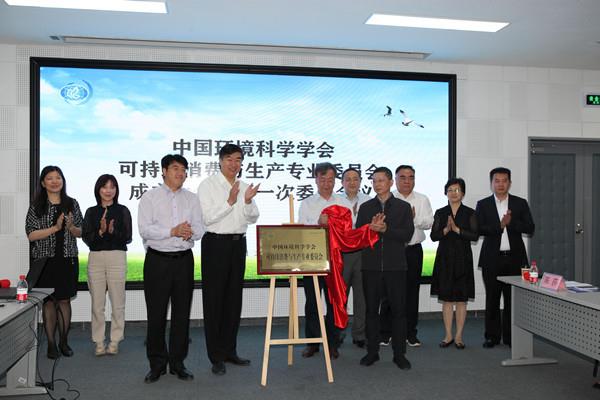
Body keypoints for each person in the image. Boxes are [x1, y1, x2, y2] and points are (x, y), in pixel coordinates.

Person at [138, 154, 203, 383]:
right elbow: (145, 230)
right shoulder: (150, 197)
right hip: (157, 261)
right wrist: (172, 231)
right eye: (176, 168)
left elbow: (200, 228)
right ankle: (157, 364)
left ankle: (177, 363)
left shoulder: (192, 199)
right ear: (164, 171)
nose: (180, 173)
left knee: (181, 314)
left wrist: (190, 232)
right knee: (156, 314)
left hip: (184, 261)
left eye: (184, 170)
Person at [198, 144, 260, 376]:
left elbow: (253, 217)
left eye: (238, 160)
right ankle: (216, 356)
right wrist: (230, 201)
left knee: (234, 300)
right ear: (220, 161)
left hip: (238, 245)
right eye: (230, 159)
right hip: (215, 244)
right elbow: (206, 218)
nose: (234, 164)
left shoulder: (244, 186)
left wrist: (247, 202)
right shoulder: (208, 185)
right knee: (214, 301)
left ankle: (229, 351)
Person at [356, 167, 414, 369]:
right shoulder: (365, 208)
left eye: (381, 180)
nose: (377, 184)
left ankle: (399, 354)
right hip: (371, 267)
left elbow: (407, 235)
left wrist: (386, 229)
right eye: (374, 181)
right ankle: (372, 352)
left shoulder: (403, 207)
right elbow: (359, 236)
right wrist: (370, 230)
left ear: (390, 182)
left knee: (398, 312)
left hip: (395, 267)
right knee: (371, 311)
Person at [25, 165, 83, 359]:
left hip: (67, 260)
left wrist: (71, 227)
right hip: (45, 261)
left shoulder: (72, 203)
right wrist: (55, 228)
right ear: (43, 183)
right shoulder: (37, 206)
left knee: (64, 300)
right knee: (49, 302)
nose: (55, 181)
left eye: (58, 177)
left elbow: (81, 232)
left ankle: (63, 342)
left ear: (63, 181)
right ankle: (51, 344)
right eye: (50, 178)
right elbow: (31, 234)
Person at [476, 167, 534, 348]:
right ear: (491, 183)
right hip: (492, 259)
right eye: (497, 181)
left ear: (509, 183)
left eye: (504, 180)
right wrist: (500, 226)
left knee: (512, 300)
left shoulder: (520, 203)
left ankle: (510, 337)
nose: (500, 184)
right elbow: (478, 229)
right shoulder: (483, 204)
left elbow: (530, 228)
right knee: (492, 298)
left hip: (515, 259)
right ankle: (492, 336)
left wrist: (511, 223)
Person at [298, 162, 350, 359]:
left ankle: (332, 343)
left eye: (330, 180)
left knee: (333, 301)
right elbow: (302, 228)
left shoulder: (343, 202)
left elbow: (349, 229)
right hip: (311, 258)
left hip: (335, 259)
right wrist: (318, 222)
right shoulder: (307, 203)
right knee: (312, 301)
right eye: (323, 179)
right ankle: (312, 343)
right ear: (316, 180)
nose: (327, 184)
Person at [380, 165, 433, 347]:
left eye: (411, 177)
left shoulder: (422, 199)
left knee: (411, 293)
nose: (407, 181)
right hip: (392, 251)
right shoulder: (388, 198)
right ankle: (385, 332)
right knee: (388, 292)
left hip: (413, 251)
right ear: (394, 180)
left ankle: (410, 333)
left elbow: (429, 222)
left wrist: (412, 219)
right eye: (402, 177)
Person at [82, 174, 132, 357]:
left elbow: (128, 237)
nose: (108, 190)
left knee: (118, 303)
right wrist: (101, 232)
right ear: (98, 189)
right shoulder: (91, 212)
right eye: (105, 187)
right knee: (97, 304)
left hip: (117, 257)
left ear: (116, 190)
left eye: (112, 187)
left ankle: (115, 340)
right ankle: (99, 341)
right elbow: (87, 238)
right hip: (96, 258)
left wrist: (112, 231)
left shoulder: (123, 210)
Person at [430, 178, 477, 349]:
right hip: (445, 259)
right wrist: (445, 230)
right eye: (450, 190)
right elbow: (433, 236)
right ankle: (448, 335)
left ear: (462, 193)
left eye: (456, 190)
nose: (453, 193)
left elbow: (475, 235)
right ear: (446, 193)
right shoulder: (441, 212)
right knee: (447, 300)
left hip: (463, 259)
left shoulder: (470, 213)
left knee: (461, 300)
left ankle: (459, 337)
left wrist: (457, 230)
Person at [340, 167, 371, 348]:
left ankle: (360, 334)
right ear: (342, 182)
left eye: (355, 179)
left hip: (363, 253)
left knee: (362, 297)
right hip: (342, 253)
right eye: (348, 179)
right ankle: (338, 332)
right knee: (340, 296)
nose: (352, 182)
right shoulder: (336, 201)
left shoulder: (368, 200)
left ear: (360, 181)